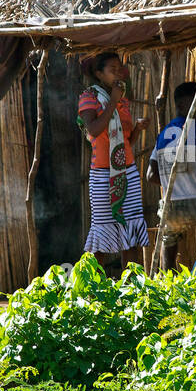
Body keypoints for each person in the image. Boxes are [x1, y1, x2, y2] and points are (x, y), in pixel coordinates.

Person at [77, 52, 149, 269]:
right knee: (103, 229)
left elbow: (125, 143)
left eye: (120, 68)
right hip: (102, 174)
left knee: (131, 231)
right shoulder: (89, 97)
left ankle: (133, 287)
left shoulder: (122, 99)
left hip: (128, 172)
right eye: (112, 69)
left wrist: (137, 129)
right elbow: (94, 129)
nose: (119, 72)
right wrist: (113, 101)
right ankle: (93, 289)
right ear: (99, 74)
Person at [146, 81, 196, 271]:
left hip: (170, 209)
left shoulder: (163, 136)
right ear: (181, 106)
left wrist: (174, 182)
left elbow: (150, 175)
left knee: (168, 235)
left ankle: (168, 278)